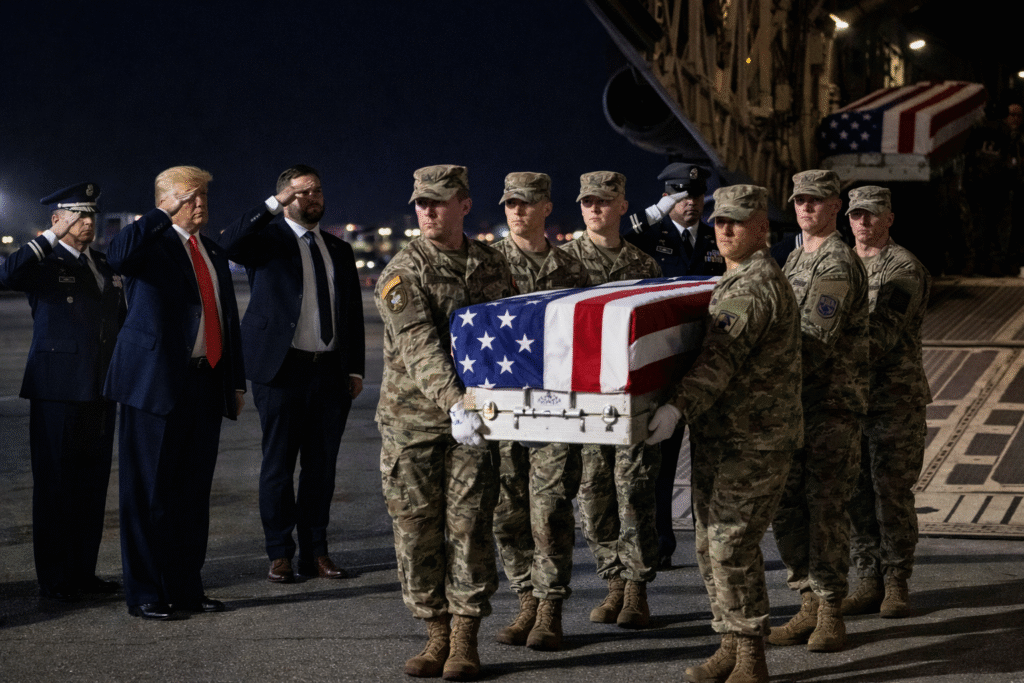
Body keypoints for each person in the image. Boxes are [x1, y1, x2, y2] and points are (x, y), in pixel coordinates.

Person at [646, 184, 802, 683]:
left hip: (753, 440)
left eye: (738, 221)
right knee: (710, 544)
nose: (726, 229)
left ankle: (751, 654)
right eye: (719, 221)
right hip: (725, 435)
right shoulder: (733, 279)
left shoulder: (753, 285)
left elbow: (718, 363)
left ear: (762, 229)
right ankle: (731, 644)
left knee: (731, 545)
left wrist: (674, 407)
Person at [375, 165, 515, 680]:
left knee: (471, 527)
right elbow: (418, 345)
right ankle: (434, 631)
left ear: (465, 204)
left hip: (474, 426)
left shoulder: (491, 263)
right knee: (415, 530)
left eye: (439, 202)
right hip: (416, 422)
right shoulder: (402, 270)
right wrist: (455, 402)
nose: (428, 212)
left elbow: (512, 336)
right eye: (421, 203)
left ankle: (464, 639)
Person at [104, 166, 246, 620]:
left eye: (203, 195)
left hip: (205, 382)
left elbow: (227, 320)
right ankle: (146, 591)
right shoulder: (151, 245)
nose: (199, 203)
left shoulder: (213, 251)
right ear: (166, 200)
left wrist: (235, 381)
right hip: (156, 384)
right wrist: (161, 214)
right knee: (148, 495)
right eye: (188, 197)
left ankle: (186, 587)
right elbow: (116, 255)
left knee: (191, 494)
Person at [219, 165, 365, 584]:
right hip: (281, 370)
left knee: (321, 468)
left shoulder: (339, 250)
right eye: (301, 192)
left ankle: (317, 552)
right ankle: (280, 553)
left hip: (329, 373)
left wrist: (354, 367)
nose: (312, 198)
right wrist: (272, 207)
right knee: (279, 465)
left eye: (317, 190)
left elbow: (351, 313)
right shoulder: (266, 240)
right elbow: (228, 243)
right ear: (284, 197)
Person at [0, 183, 125, 602]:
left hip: (100, 390)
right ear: (56, 220)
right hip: (56, 391)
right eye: (75, 215)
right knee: (55, 488)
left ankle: (83, 574)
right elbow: (7, 273)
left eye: (90, 215)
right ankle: (54, 581)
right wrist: (48, 237)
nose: (85, 223)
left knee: (90, 489)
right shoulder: (43, 262)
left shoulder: (105, 266)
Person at [769, 169, 868, 652]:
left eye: (817, 200)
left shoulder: (836, 264)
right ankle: (806, 599)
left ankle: (830, 610)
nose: (806, 208)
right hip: (794, 407)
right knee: (788, 506)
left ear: (835, 206)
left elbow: (815, 339)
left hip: (829, 408)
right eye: (800, 200)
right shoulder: (793, 258)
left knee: (826, 510)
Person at [490, 172, 590, 651]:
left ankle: (550, 608)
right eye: (511, 203)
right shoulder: (486, 264)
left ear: (547, 208)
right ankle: (524, 599)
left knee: (549, 511)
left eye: (527, 204)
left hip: (554, 411)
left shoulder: (570, 268)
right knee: (507, 512)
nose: (518, 211)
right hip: (503, 411)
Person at [561, 171, 663, 629]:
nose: (595, 209)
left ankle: (637, 589)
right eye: (587, 202)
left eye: (604, 201)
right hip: (581, 406)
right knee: (593, 495)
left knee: (635, 493)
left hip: (628, 406)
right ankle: (613, 583)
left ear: (623, 205)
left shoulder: (644, 266)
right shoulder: (561, 263)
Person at [623, 162, 726, 570]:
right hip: (664, 365)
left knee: (712, 459)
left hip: (706, 363)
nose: (692, 205)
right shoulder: (652, 234)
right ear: (668, 198)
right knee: (661, 463)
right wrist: (658, 210)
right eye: (682, 197)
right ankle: (662, 541)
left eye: (698, 197)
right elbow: (620, 235)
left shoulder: (717, 235)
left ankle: (713, 545)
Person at [843, 186, 932, 619]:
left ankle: (896, 580)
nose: (865, 223)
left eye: (873, 215)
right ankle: (866, 578)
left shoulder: (903, 269)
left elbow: (880, 337)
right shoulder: (842, 264)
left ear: (890, 218)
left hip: (895, 401)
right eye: (858, 214)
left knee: (891, 493)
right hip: (851, 400)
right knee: (855, 493)